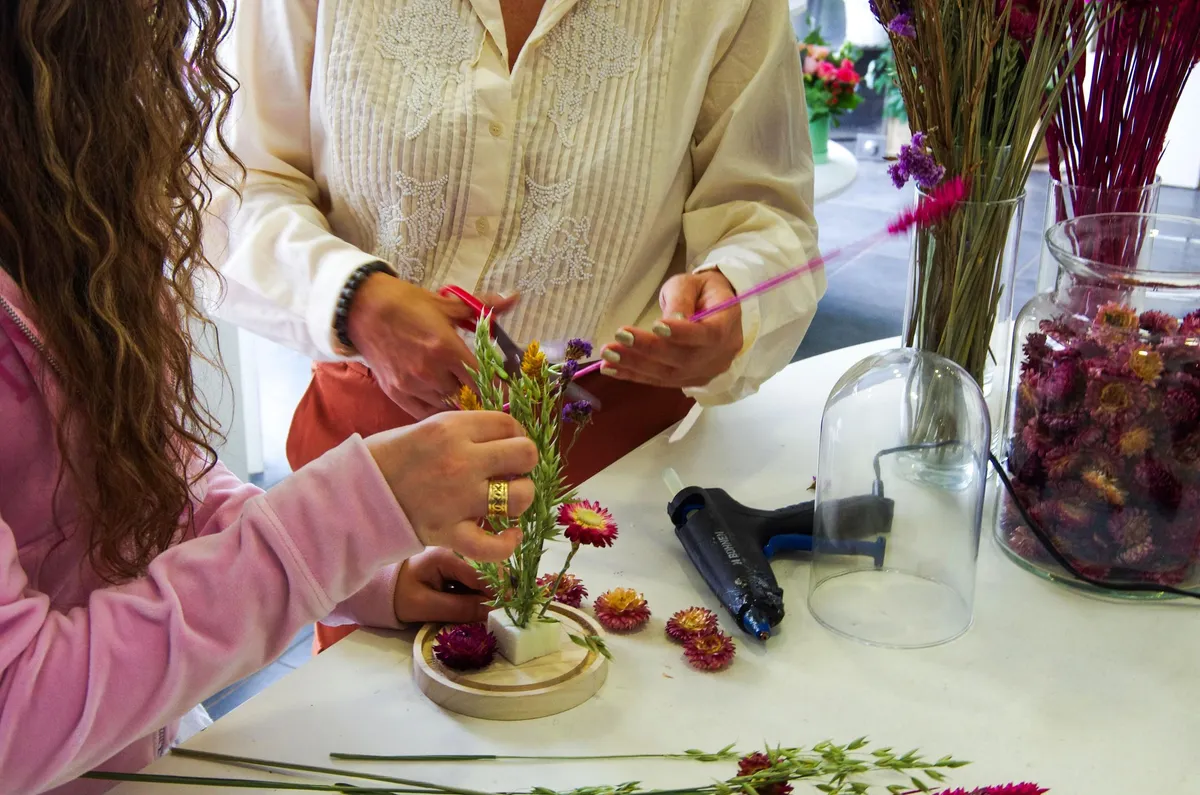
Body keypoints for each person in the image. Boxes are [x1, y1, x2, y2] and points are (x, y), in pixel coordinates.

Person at [0, 3, 537, 793]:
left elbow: (157, 493)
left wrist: (371, 574)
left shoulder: (69, 223)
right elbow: (22, 714)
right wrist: (350, 512)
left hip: (138, 751)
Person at [209, 0, 825, 654]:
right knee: (385, 738)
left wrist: (734, 293)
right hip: (378, 474)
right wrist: (352, 298)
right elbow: (231, 186)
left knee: (623, 739)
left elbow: (765, 211)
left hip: (620, 476)